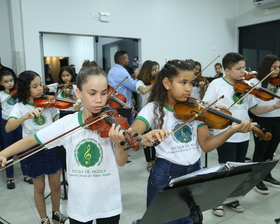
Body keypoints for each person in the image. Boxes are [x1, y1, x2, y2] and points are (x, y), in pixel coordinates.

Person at [130, 59, 256, 224]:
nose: (189, 88)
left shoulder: (196, 109)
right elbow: (132, 134)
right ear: (167, 83)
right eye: (183, 82)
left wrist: (231, 130)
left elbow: (206, 145)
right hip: (165, 174)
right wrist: (142, 137)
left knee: (188, 219)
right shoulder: (153, 109)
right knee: (162, 220)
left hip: (194, 172)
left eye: (191, 83)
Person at [0, 66, 130, 224]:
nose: (100, 100)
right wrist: (4, 153)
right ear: (79, 93)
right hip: (80, 203)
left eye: (104, 93)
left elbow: (121, 162)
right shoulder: (67, 123)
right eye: (92, 93)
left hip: (108, 200)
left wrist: (120, 143)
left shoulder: (112, 122)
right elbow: (32, 140)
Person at [202, 52, 280, 217]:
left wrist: (273, 107)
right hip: (225, 134)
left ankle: (232, 199)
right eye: (239, 68)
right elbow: (206, 108)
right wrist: (217, 109)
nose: (243, 71)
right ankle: (217, 201)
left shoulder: (247, 86)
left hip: (244, 134)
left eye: (244, 67)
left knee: (238, 171)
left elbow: (256, 110)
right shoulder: (216, 84)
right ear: (228, 70)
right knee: (225, 169)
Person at [4, 70, 68, 224]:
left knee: (56, 186)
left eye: (40, 84)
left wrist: (74, 109)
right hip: (33, 150)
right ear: (26, 88)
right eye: (35, 86)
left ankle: (56, 213)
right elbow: (8, 127)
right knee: (39, 188)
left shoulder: (50, 104)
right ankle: (44, 218)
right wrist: (25, 116)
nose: (40, 88)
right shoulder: (20, 107)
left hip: (53, 147)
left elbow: (59, 122)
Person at [249, 54, 280, 194]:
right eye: (274, 67)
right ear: (267, 68)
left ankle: (266, 174)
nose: (277, 70)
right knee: (260, 149)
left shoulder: (278, 82)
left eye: (279, 67)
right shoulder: (255, 82)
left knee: (271, 150)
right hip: (261, 118)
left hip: (277, 119)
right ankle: (256, 178)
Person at [0, 70, 33, 189]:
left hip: (19, 122)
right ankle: (10, 177)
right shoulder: (1, 95)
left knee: (22, 150)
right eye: (6, 82)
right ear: (1, 83)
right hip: (6, 123)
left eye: (11, 81)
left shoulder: (19, 93)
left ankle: (26, 174)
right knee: (8, 150)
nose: (9, 84)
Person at [135, 60, 158, 172]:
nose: (156, 72)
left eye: (157, 69)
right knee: (146, 139)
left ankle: (155, 160)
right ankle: (149, 161)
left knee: (155, 138)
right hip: (145, 114)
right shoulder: (140, 82)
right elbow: (143, 91)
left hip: (156, 113)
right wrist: (155, 84)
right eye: (153, 69)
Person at [108, 50, 137, 125]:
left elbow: (124, 85)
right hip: (124, 105)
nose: (128, 60)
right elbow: (134, 87)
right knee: (129, 129)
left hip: (114, 104)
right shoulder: (123, 72)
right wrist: (137, 77)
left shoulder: (111, 70)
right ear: (123, 61)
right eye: (127, 58)